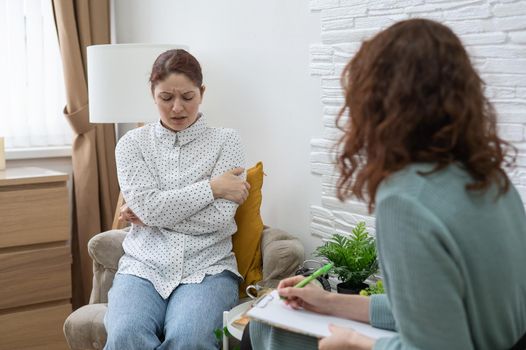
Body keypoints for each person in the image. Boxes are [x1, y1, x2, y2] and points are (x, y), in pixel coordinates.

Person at [249, 18, 526, 350]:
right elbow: (432, 308)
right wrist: (330, 302)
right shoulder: (491, 177)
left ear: (376, 103)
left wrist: (353, 343)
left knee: (268, 331)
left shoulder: (406, 201)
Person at [104, 49, 250, 350]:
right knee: (125, 335)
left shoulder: (227, 141)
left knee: (190, 340)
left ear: (202, 92)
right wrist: (212, 188)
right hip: (143, 266)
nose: (177, 108)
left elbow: (219, 218)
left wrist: (153, 214)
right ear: (152, 93)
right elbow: (150, 206)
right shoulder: (131, 144)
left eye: (187, 96)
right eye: (166, 97)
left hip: (208, 267)